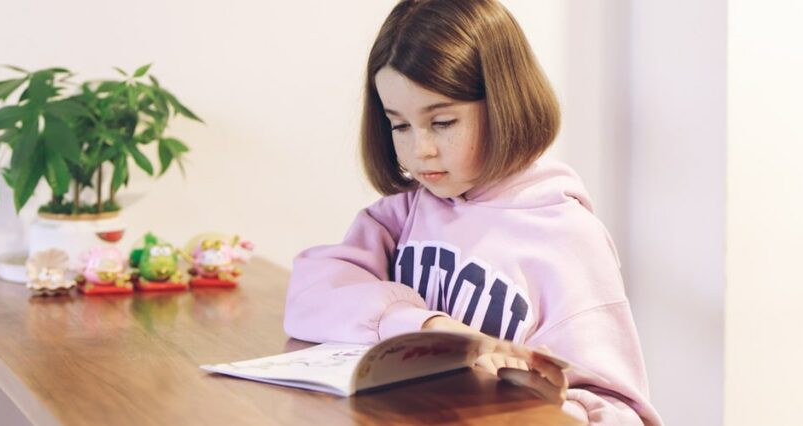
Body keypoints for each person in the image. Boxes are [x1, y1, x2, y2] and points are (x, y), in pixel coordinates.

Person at [283, 1, 662, 424]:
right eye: (399, 125)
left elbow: (622, 410)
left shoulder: (567, 237)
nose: (419, 150)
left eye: (442, 122)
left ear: (505, 104)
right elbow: (309, 295)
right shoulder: (405, 212)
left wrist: (545, 407)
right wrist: (427, 329)